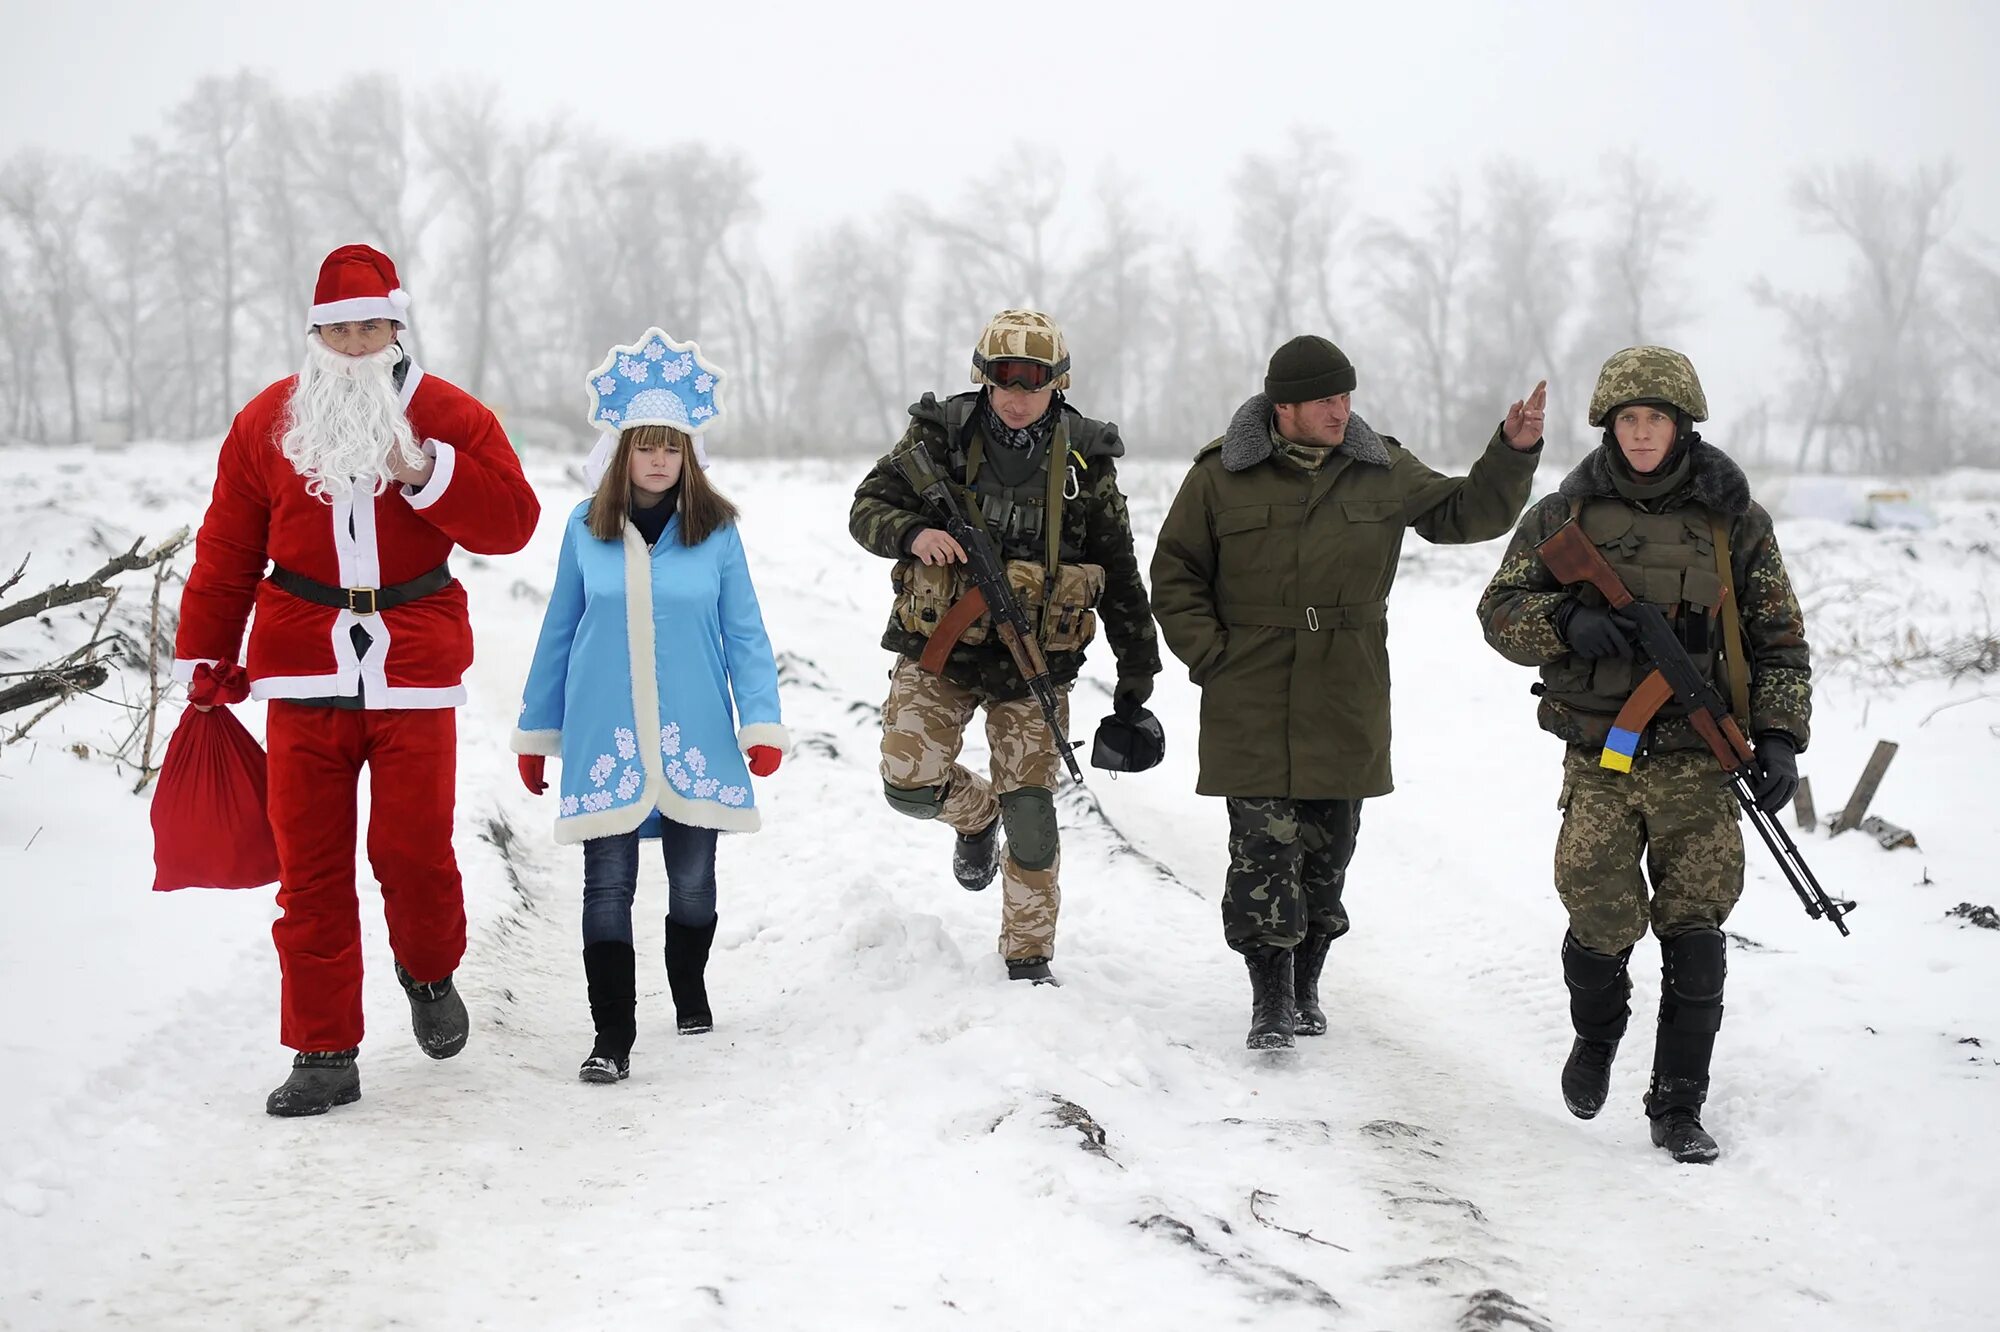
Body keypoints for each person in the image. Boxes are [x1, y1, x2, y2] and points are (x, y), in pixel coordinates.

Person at [172, 244, 541, 1116]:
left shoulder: (451, 414)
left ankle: (427, 967)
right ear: (314, 335)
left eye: (370, 326)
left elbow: (514, 523)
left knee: (410, 853)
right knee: (310, 870)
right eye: (337, 330)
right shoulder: (268, 421)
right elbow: (227, 548)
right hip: (301, 665)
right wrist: (207, 655)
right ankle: (324, 1049)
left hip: (413, 664)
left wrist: (425, 474)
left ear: (397, 328)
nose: (353, 344)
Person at [1150, 335, 1544, 1049]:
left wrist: (1512, 452)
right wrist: (1211, 657)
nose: (1342, 411)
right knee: (1263, 849)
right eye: (1327, 400)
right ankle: (1268, 997)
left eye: (1346, 396)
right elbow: (1174, 573)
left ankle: (1307, 984)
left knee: (1328, 851)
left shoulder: (1381, 466)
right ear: (1286, 407)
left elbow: (1466, 513)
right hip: (1252, 686)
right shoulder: (1219, 476)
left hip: (1346, 685)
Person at [1476, 345, 1810, 1163]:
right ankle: (1597, 1038)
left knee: (1696, 924)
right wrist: (1565, 625)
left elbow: (1780, 642)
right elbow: (1499, 610)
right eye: (1627, 419)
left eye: (1654, 418)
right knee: (1598, 915)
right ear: (1609, 427)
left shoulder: (1736, 521)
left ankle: (1678, 1104)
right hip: (1602, 755)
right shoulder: (1565, 515)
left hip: (1700, 758)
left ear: (1682, 423)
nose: (1640, 433)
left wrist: (1777, 736)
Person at [848, 310, 1162, 987]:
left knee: (1032, 815)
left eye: (1035, 382)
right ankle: (973, 815)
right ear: (983, 379)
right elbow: (866, 508)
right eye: (1004, 381)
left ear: (1059, 384)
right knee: (907, 785)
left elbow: (1121, 569)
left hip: (1035, 666)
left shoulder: (1086, 460)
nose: (1018, 397)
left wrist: (1139, 670)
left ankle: (1028, 955)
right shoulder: (940, 437)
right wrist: (910, 535)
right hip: (941, 648)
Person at [512, 329, 787, 1083]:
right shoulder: (584, 529)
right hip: (607, 734)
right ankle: (613, 1037)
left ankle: (689, 983)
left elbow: (747, 634)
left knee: (694, 883)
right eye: (645, 446)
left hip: (695, 729)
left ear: (688, 454)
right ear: (622, 452)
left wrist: (759, 721)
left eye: (673, 447)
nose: (660, 460)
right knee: (607, 885)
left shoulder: (717, 531)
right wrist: (537, 733)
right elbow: (559, 631)